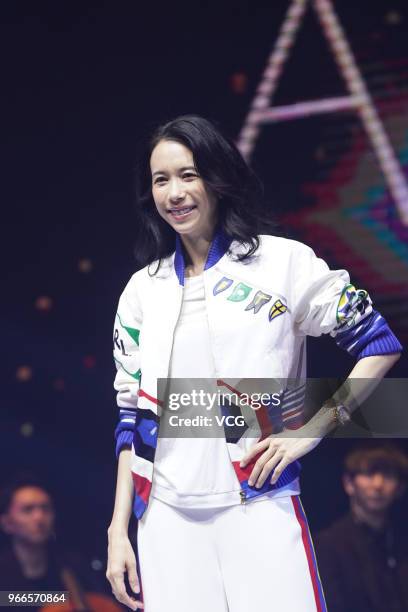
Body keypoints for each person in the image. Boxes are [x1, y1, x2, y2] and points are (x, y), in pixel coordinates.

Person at [106, 114, 402, 612]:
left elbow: (380, 344)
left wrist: (311, 430)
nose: (174, 193)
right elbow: (130, 416)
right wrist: (119, 530)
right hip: (163, 518)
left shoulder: (283, 263)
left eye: (188, 174)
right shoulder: (142, 290)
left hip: (259, 502)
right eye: (161, 180)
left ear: (217, 179)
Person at [315, 443, 408, 612]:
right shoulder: (328, 545)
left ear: (400, 487)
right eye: (369, 473)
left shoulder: (401, 540)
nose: (378, 484)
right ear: (349, 483)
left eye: (388, 475)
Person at [0, 476, 113, 611]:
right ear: (7, 523)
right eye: (28, 510)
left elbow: (101, 601)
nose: (39, 517)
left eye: (45, 508)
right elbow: (6, 598)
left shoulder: (73, 564)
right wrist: (61, 599)